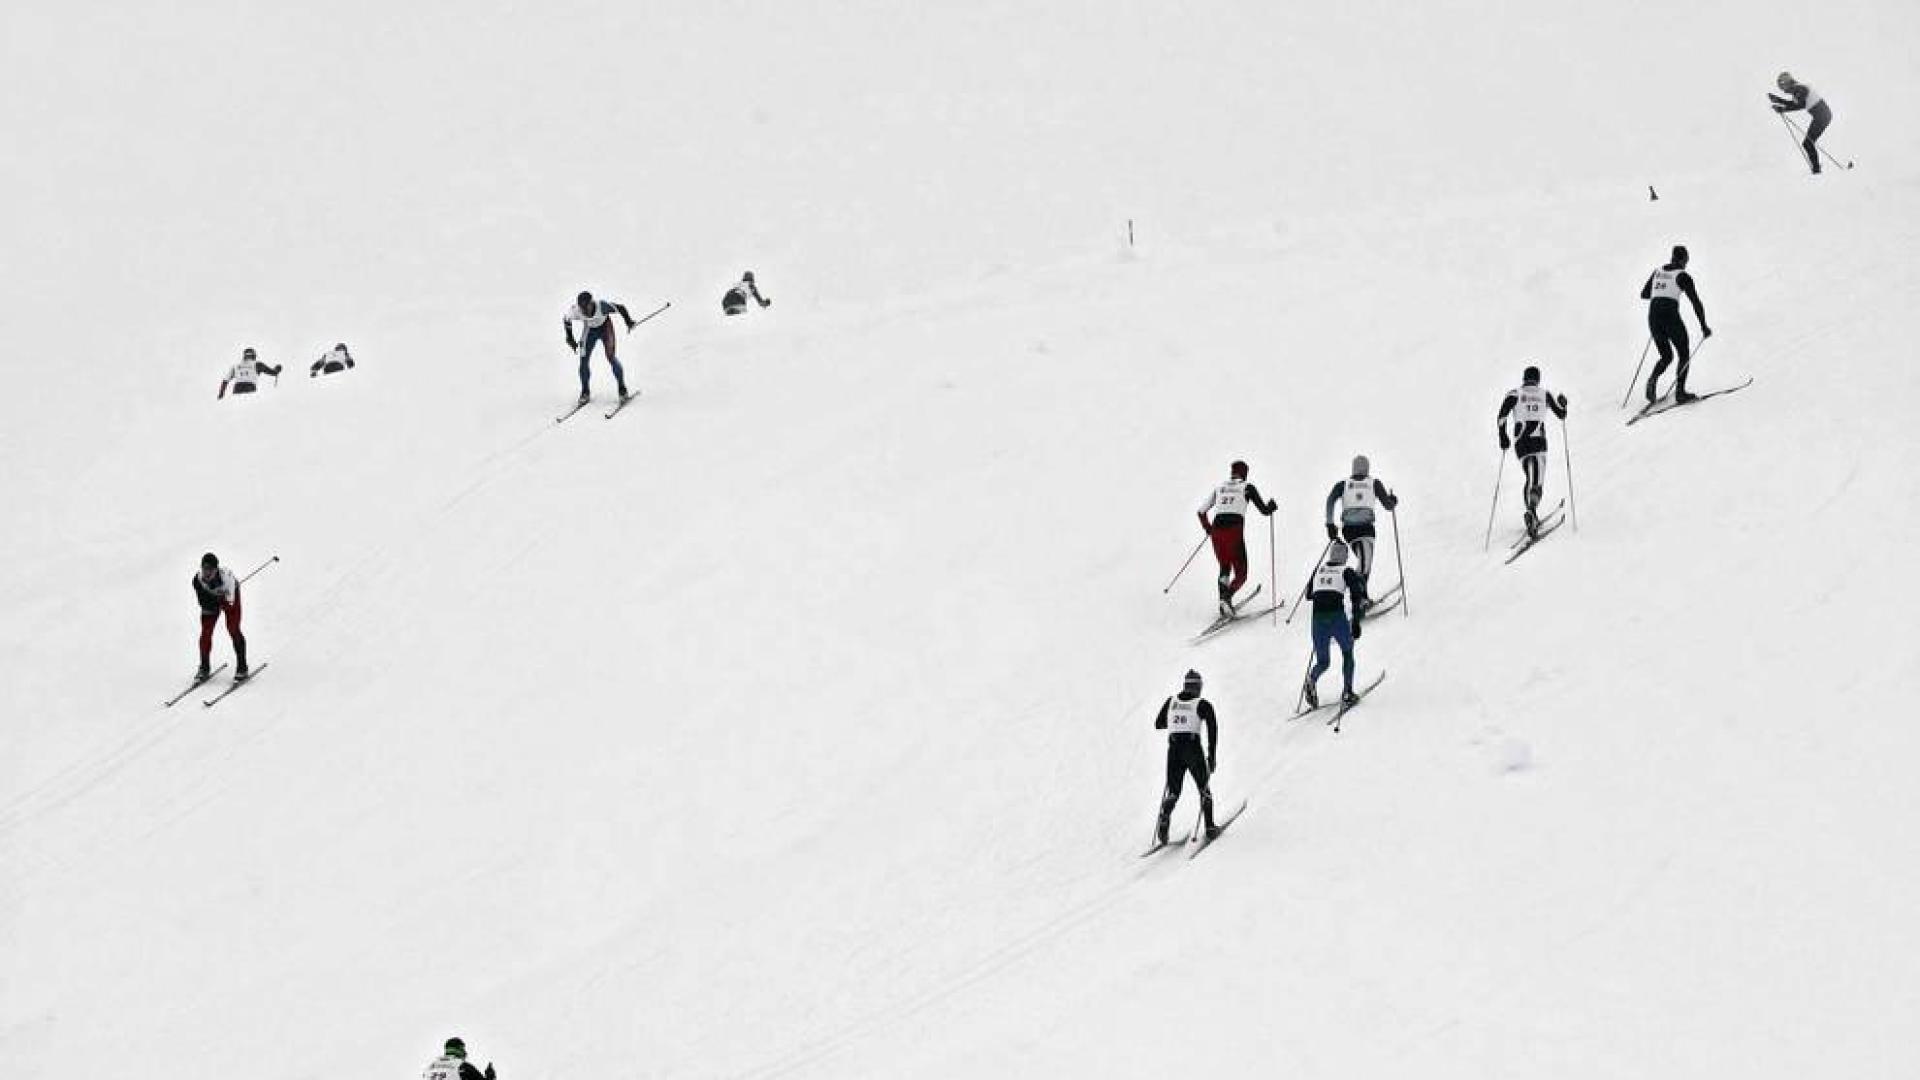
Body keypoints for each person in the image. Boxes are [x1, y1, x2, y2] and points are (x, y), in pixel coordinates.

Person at [1196, 460, 1278, 618]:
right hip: (1234, 532)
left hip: (1217, 532)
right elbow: (1264, 510)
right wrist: (1271, 507)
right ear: (1245, 473)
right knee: (1241, 573)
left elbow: (1201, 511)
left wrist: (1208, 529)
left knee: (1224, 567)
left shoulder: (1219, 488)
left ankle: (1223, 604)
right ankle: (1227, 598)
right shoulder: (1247, 487)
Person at [1495, 366, 1568, 538]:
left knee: (1530, 476)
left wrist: (1502, 437)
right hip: (1538, 442)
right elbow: (1562, 415)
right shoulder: (1545, 394)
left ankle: (1531, 511)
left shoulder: (1514, 393)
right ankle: (1531, 511)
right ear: (1538, 379)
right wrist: (1563, 404)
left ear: (1524, 378)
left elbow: (1501, 417)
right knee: (1537, 481)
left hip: (1520, 443)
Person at [1152, 670, 1221, 844]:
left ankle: (1165, 816)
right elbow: (1213, 730)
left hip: (1174, 748)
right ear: (1197, 687)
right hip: (1192, 748)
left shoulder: (1171, 701)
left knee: (1174, 790)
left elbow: (1159, 724)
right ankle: (1210, 827)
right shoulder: (1202, 704)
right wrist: (1211, 756)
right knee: (1203, 786)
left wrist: (1177, 720)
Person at [1639, 245, 1711, 404]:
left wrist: (1661, 290)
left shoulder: (1658, 272)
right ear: (1683, 259)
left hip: (1653, 318)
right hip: (1670, 317)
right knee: (1683, 353)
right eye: (1687, 261)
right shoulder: (1683, 276)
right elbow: (1696, 303)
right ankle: (1680, 393)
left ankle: (1652, 379)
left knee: (1666, 356)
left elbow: (1644, 294)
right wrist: (1704, 326)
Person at [1301, 540, 1368, 709]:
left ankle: (1311, 679)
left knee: (1323, 661)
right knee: (1347, 652)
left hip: (1317, 620)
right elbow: (1356, 595)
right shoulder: (1346, 571)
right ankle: (1347, 692)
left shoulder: (1319, 570)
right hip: (1336, 617)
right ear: (1344, 556)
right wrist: (1356, 621)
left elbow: (1309, 594)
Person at [1322, 455, 1399, 599]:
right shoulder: (1374, 483)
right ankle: (1358, 598)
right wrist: (1393, 501)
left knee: (1364, 563)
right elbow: (1388, 505)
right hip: (1366, 530)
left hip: (1349, 530)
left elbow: (1330, 500)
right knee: (1365, 563)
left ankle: (1362, 595)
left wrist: (1329, 523)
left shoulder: (1343, 484)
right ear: (1367, 468)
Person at [562, 290, 637, 405]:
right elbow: (566, 320)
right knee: (583, 361)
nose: (585, 311)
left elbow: (621, 308)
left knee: (611, 357)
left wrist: (629, 321)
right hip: (589, 330)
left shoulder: (602, 306)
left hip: (605, 328)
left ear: (592, 303)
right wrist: (570, 338)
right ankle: (585, 391)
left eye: (586, 307)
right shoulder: (576, 310)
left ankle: (622, 389)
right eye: (582, 309)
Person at [193, 552, 249, 681]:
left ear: (216, 569)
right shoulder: (198, 580)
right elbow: (203, 603)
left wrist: (221, 598)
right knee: (205, 632)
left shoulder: (227, 579)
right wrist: (213, 598)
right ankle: (204, 667)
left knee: (233, 628)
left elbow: (230, 603)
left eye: (210, 570)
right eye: (204, 569)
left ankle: (242, 666)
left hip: (229, 597)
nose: (207, 573)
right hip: (211, 601)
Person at [1769, 72, 1833, 175]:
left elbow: (1800, 105)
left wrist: (1782, 108)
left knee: (1808, 143)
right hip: (1822, 116)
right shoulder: (1798, 89)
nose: (1784, 90)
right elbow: (1795, 103)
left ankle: (1816, 170)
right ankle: (1816, 168)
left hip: (1822, 117)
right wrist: (1778, 100)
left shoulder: (1800, 88)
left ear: (1787, 83)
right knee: (1808, 143)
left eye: (1783, 87)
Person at [218, 348, 283, 399]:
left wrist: (221, 394)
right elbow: (272, 372)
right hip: (250, 387)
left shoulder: (235, 366)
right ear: (254, 356)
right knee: (249, 409)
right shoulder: (257, 364)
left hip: (237, 388)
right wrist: (277, 369)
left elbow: (225, 381)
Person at [423, 1037, 496, 1080]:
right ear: (459, 1050)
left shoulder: (429, 1067)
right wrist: (490, 1077)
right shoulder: (462, 1066)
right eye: (463, 1050)